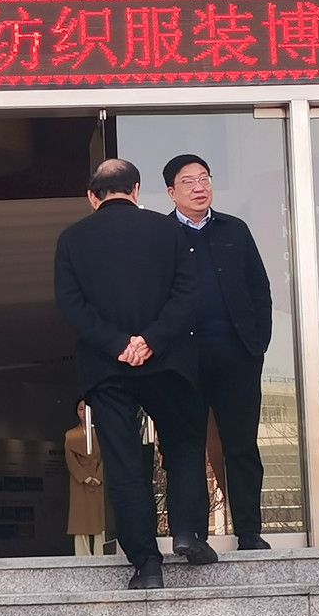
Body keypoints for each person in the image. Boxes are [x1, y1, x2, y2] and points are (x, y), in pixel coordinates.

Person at [54, 158, 212, 590]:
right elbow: (187, 294)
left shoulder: (72, 239)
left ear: (93, 197)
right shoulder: (169, 231)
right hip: (168, 362)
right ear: (137, 190)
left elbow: (71, 304)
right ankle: (187, 532)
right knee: (183, 446)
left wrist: (117, 344)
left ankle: (146, 562)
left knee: (124, 462)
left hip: (107, 367)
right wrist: (151, 340)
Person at [163, 153, 274, 551]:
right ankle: (192, 534)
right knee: (186, 447)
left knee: (241, 446)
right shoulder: (162, 236)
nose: (199, 187)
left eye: (205, 179)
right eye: (189, 181)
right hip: (183, 360)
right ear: (171, 192)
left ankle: (249, 531)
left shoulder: (235, 230)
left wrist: (257, 345)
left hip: (236, 355)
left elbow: (259, 289)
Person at [64, 401, 107, 554]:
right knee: (79, 518)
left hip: (98, 478)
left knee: (99, 518)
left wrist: (99, 476)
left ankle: (101, 552)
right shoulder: (70, 435)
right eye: (81, 409)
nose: (84, 413)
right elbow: (70, 459)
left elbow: (107, 456)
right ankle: (82, 554)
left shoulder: (103, 432)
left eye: (88, 409)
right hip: (79, 481)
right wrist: (84, 477)